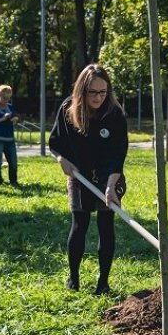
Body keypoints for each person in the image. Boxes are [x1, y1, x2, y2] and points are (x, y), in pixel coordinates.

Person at [49, 64, 129, 295]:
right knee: (80, 224)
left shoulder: (114, 114)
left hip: (109, 175)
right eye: (93, 92)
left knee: (106, 225)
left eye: (103, 92)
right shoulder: (68, 110)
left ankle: (103, 282)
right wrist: (60, 159)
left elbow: (118, 154)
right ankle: (73, 278)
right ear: (82, 90)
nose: (98, 97)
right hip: (79, 174)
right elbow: (55, 143)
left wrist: (111, 186)